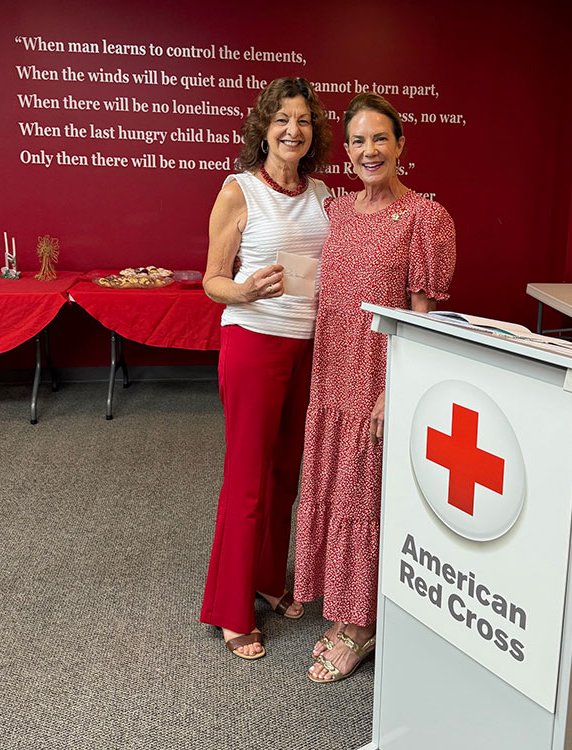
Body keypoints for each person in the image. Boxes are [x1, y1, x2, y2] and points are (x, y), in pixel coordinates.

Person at [294, 92, 456, 682]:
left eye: (379, 139)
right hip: (331, 372)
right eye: (358, 140)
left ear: (401, 145)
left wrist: (396, 387)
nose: (368, 151)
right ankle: (341, 605)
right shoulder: (336, 211)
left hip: (377, 378)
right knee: (337, 489)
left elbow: (425, 316)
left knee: (368, 500)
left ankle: (361, 625)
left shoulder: (424, 217)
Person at [199, 77, 332, 660]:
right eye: (282, 119)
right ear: (264, 127)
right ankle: (230, 608)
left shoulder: (325, 195)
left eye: (302, 120)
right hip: (253, 342)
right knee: (248, 479)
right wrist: (245, 291)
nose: (292, 130)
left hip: (308, 349)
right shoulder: (238, 191)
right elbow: (211, 280)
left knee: (286, 475)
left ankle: (269, 580)